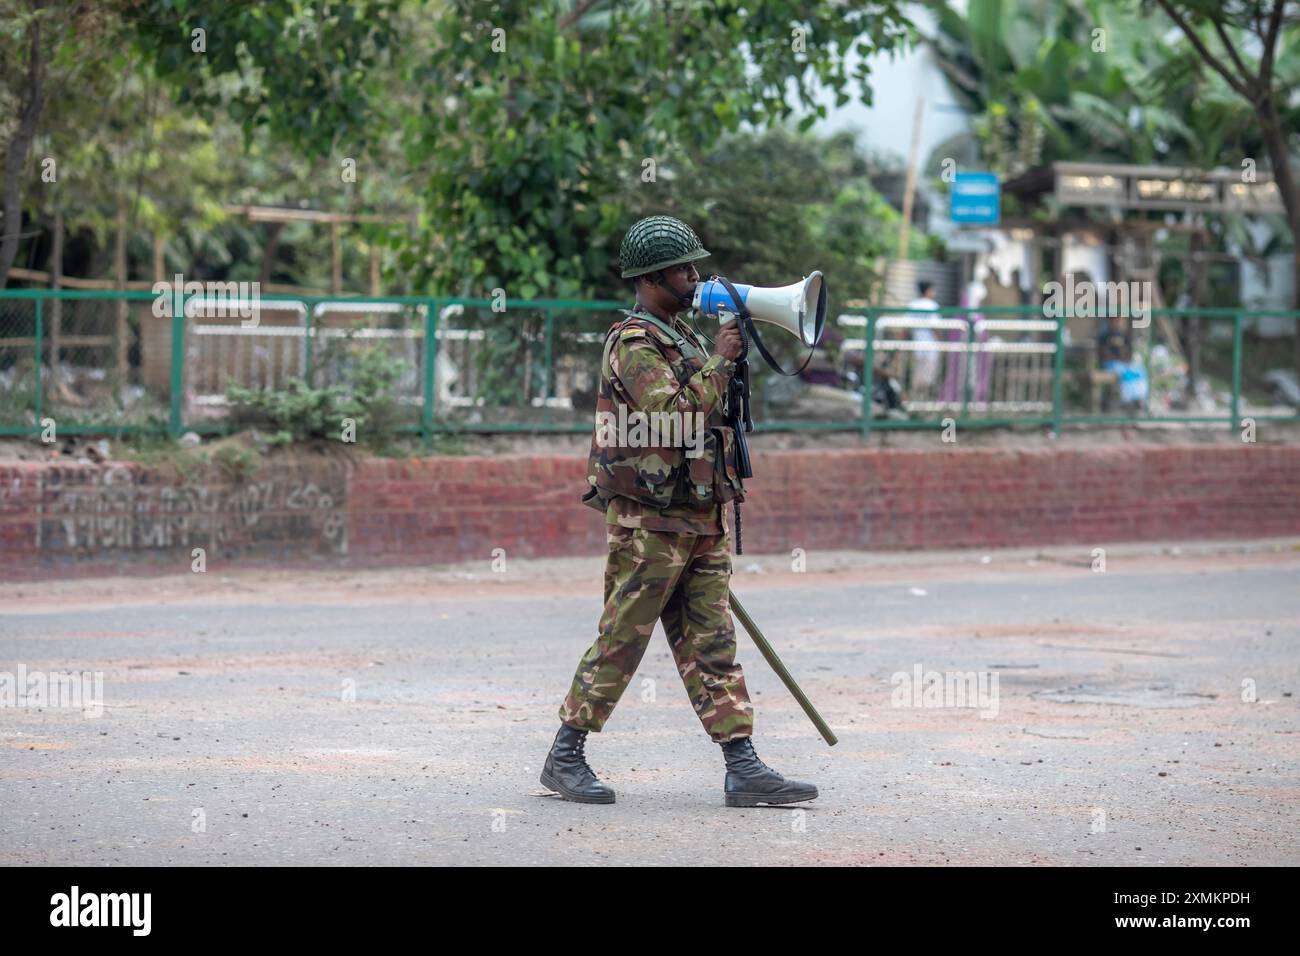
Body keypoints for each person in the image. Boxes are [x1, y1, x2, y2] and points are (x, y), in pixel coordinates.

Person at [540, 214, 819, 808]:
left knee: (712, 643)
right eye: (684, 268)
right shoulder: (634, 342)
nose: (696, 276)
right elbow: (669, 413)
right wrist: (719, 362)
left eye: (694, 265)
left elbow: (714, 413)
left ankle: (742, 767)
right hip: (651, 522)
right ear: (651, 277)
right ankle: (565, 757)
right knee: (623, 638)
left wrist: (726, 365)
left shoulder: (685, 337)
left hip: (700, 514)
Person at [907, 279, 941, 395]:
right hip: (931, 347)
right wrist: (940, 342)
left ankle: (915, 400)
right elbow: (935, 327)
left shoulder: (913, 304)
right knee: (928, 378)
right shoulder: (932, 305)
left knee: (917, 376)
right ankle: (922, 402)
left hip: (917, 346)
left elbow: (904, 326)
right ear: (928, 291)